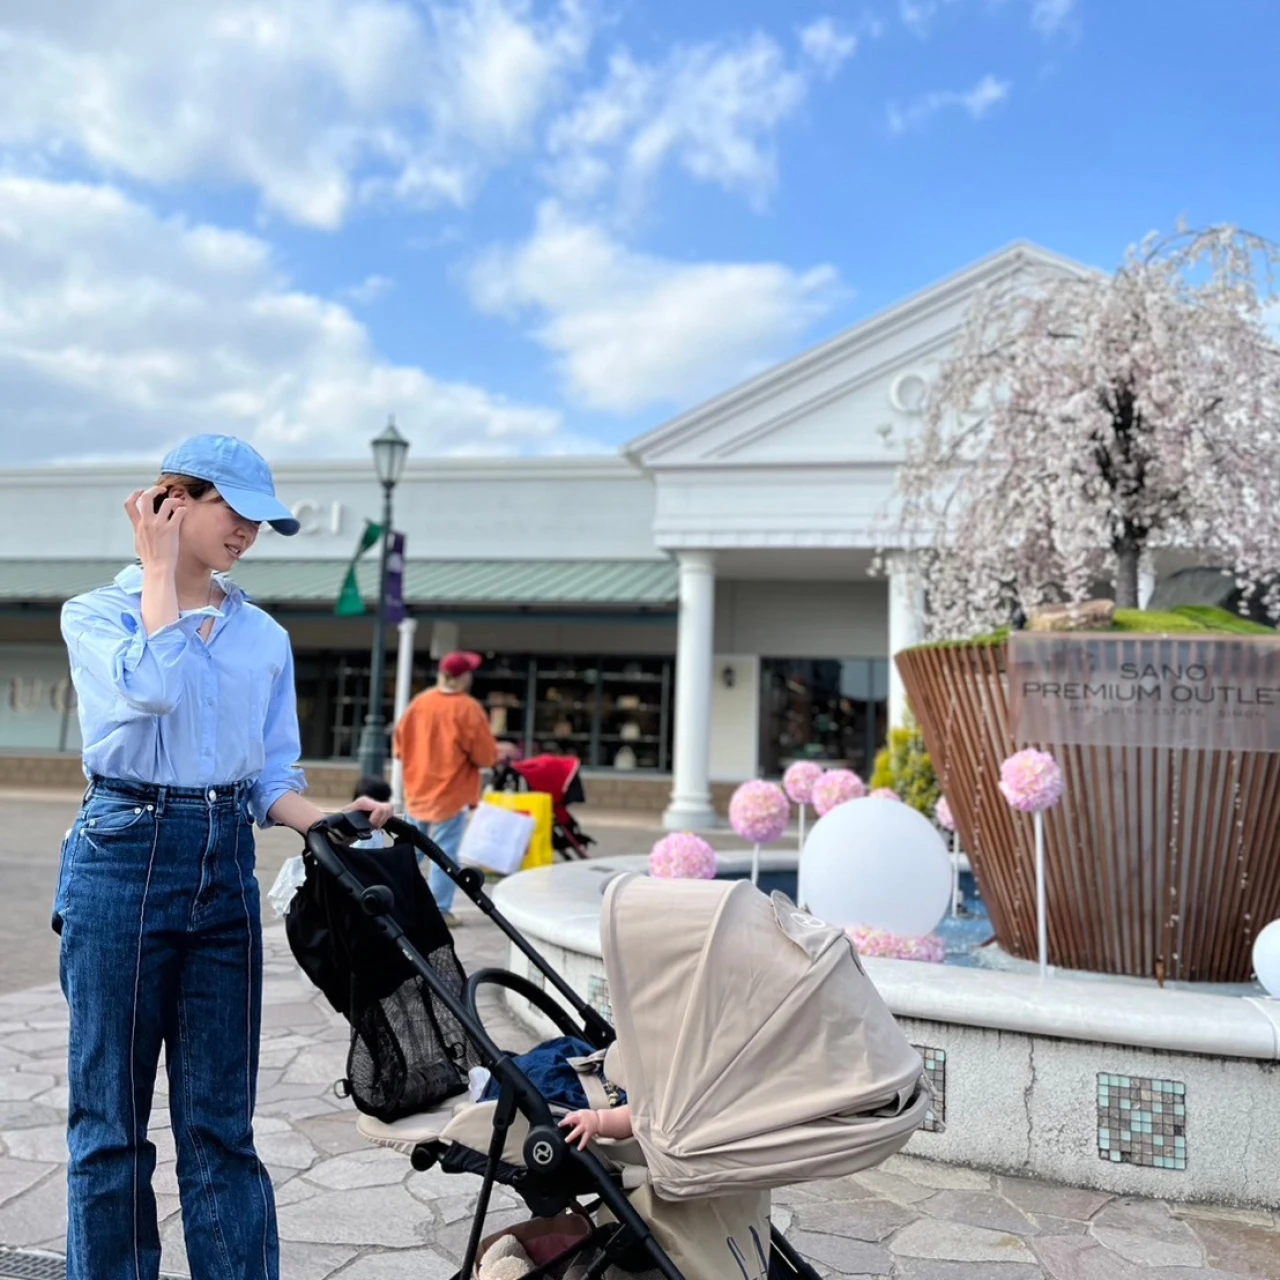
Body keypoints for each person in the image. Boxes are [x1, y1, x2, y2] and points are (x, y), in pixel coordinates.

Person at [54, 434, 394, 1280]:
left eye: (260, 519)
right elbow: (154, 686)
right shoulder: (95, 614)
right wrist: (160, 572)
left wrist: (325, 819)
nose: (248, 531)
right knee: (110, 1125)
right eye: (233, 510)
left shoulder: (264, 638)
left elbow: (268, 775)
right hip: (123, 857)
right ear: (173, 503)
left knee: (221, 1126)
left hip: (224, 870)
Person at [393, 650, 502, 925]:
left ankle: (395, 898)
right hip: (451, 792)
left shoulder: (421, 703)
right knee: (445, 851)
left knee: (411, 850)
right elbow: (485, 756)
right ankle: (440, 910)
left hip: (418, 788)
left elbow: (399, 745)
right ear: (464, 676)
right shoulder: (467, 708)